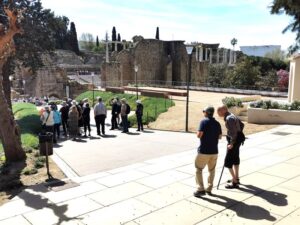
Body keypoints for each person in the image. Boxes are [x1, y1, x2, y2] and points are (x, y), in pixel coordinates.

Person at [194, 106, 222, 197]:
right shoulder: (217, 123)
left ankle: (200, 189)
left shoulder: (203, 121)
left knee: (198, 169)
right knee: (212, 170)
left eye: (204, 111)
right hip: (214, 151)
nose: (203, 113)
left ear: (206, 112)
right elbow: (220, 137)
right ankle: (209, 188)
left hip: (204, 151)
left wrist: (197, 132)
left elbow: (199, 135)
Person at [217, 105, 243, 189]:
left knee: (228, 161)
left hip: (233, 141)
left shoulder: (229, 118)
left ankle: (234, 181)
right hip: (238, 139)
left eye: (219, 111)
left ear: (224, 110)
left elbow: (233, 132)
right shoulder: (232, 115)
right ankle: (236, 177)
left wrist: (231, 143)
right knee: (235, 158)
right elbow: (242, 125)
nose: (218, 113)